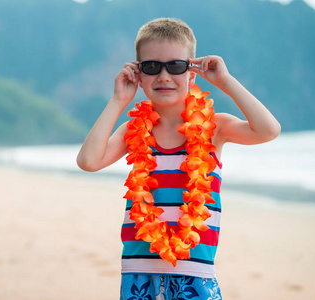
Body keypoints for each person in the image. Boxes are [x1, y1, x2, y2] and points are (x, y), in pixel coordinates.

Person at [76, 18, 280, 300]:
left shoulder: (215, 128)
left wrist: (225, 81)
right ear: (138, 74)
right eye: (151, 67)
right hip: (138, 272)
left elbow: (268, 130)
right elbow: (88, 161)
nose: (163, 76)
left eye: (175, 66)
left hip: (196, 272)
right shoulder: (132, 130)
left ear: (192, 74)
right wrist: (118, 101)